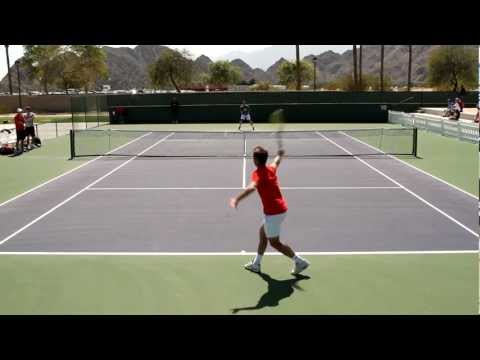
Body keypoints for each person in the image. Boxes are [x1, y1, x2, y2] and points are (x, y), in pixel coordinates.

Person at [229, 146, 310, 275]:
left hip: (274, 214)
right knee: (262, 233)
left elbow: (251, 188)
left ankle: (299, 261)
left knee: (275, 243)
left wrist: (237, 199)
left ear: (255, 160)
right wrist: (280, 154)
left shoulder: (258, 174)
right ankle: (256, 264)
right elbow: (276, 162)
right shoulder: (270, 170)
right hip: (280, 209)